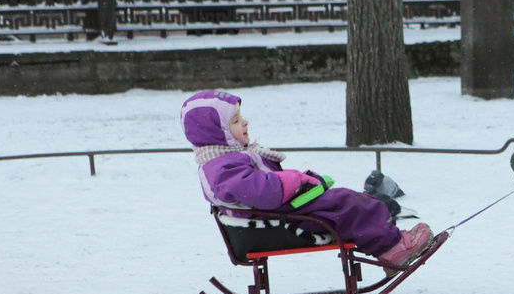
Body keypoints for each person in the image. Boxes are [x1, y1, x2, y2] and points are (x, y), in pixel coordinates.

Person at [181, 90, 433, 268]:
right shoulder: (222, 165)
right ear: (217, 132)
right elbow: (261, 191)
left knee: (350, 200)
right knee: (347, 204)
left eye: (241, 116)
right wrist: (295, 180)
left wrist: (298, 182)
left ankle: (392, 240)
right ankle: (392, 248)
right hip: (276, 221)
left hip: (279, 211)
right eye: (235, 121)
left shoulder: (229, 158)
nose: (245, 122)